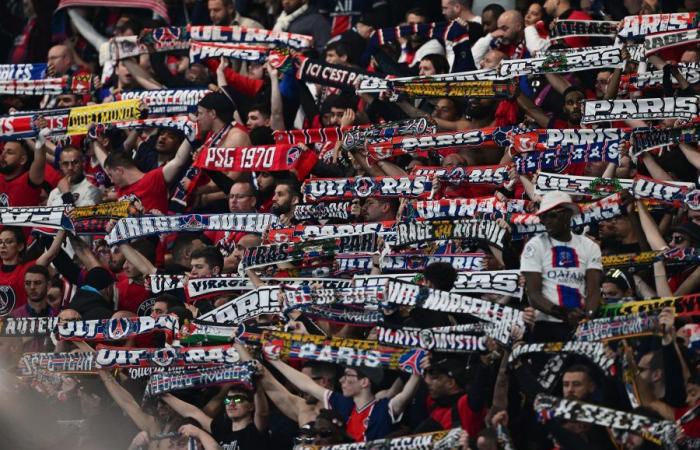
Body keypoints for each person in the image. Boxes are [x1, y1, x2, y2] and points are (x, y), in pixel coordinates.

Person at [520, 191, 603, 341]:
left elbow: (594, 290)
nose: (546, 221)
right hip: (546, 325)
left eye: (551, 215)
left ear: (566, 215)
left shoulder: (589, 246)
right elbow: (533, 294)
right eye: (542, 217)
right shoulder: (534, 246)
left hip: (582, 325)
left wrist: (588, 318)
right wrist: (563, 313)